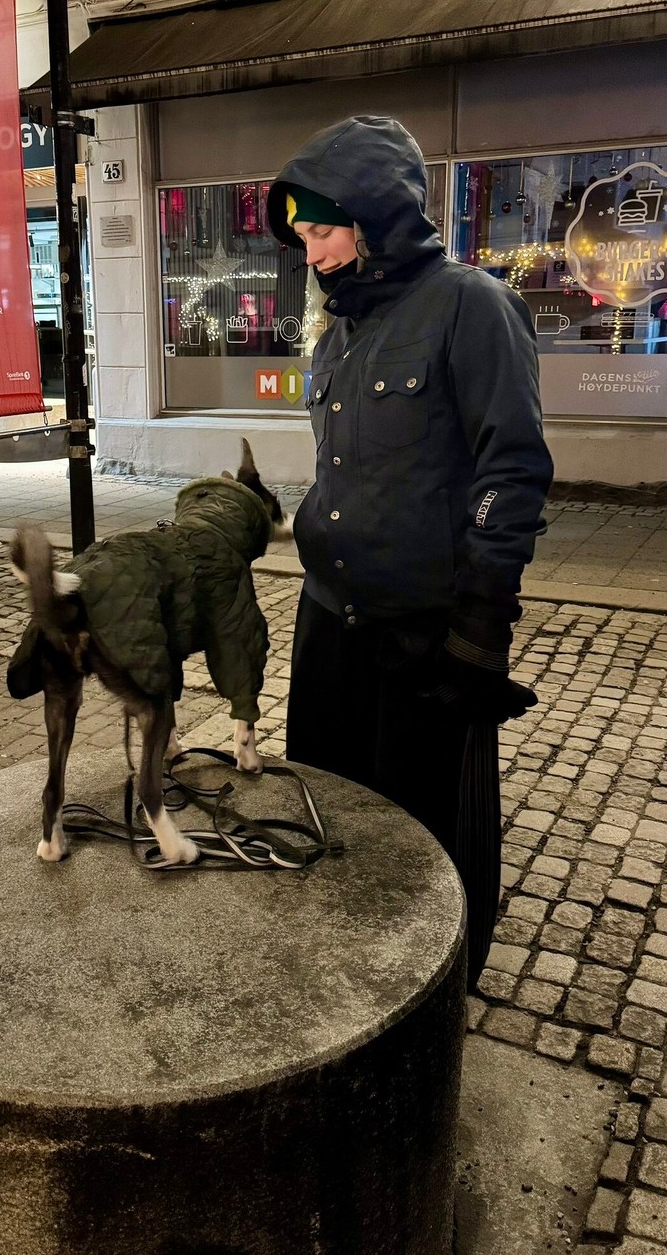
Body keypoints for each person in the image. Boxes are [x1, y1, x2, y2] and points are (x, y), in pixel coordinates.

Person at [266, 115, 554, 989]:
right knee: (329, 809)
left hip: (423, 633)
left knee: (426, 831)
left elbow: (512, 468)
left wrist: (480, 624)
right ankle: (346, 975)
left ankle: (428, 1003)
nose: (310, 254)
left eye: (322, 231)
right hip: (331, 621)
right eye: (302, 236)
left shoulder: (472, 305)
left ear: (376, 216)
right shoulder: (338, 333)